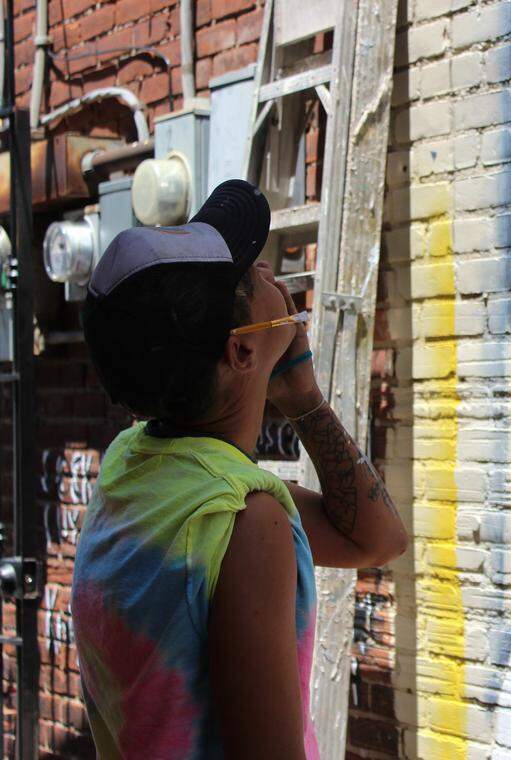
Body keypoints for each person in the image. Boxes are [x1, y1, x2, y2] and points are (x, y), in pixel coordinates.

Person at [71, 179, 408, 759]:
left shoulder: (136, 463)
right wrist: (302, 398)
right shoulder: (245, 521)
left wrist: (302, 398)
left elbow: (375, 539)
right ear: (241, 351)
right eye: (254, 276)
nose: (275, 277)